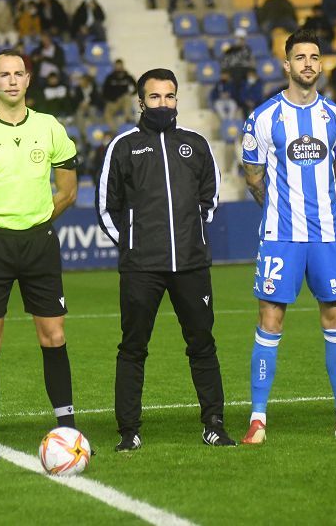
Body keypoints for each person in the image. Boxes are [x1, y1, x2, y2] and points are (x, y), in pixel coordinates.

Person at [239, 29, 336, 445]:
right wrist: (280, 210)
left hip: (328, 237)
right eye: (300, 57)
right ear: (287, 65)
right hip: (280, 236)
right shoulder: (263, 117)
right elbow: (253, 175)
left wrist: (323, 207)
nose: (308, 64)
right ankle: (258, 419)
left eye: (315, 57)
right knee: (270, 321)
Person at [0, 51, 79, 462]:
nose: (10, 81)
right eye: (3, 74)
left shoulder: (50, 127)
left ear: (28, 80)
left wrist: (37, 223)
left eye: (17, 73)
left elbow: (68, 190)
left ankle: (68, 427)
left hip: (39, 244)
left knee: (53, 335)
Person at [96, 68, 234, 451]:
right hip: (142, 268)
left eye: (169, 97)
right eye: (154, 97)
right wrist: (133, 245)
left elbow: (211, 196)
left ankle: (214, 423)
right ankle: (129, 431)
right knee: (133, 347)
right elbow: (106, 207)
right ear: (141, 102)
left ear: (176, 100)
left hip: (191, 265)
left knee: (202, 344)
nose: (163, 104)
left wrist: (194, 235)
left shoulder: (196, 144)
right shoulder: (122, 146)